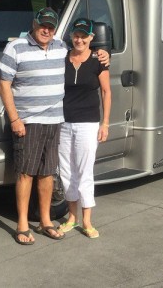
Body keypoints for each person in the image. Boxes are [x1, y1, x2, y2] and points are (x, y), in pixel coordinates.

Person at [0, 8, 108, 245]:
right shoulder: (16, 47)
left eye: (51, 27)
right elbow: (3, 83)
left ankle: (46, 221)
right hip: (29, 122)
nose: (46, 30)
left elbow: (85, 52)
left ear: (55, 30)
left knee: (48, 174)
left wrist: (104, 54)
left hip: (56, 120)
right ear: (34, 23)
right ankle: (23, 225)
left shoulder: (60, 48)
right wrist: (15, 119)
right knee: (26, 173)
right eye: (42, 25)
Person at [58, 18, 111, 239]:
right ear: (71, 37)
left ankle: (87, 220)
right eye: (76, 35)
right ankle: (72, 217)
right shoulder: (62, 58)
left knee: (84, 171)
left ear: (91, 37)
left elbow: (106, 92)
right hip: (63, 122)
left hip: (88, 123)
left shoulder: (99, 60)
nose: (79, 39)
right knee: (66, 171)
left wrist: (105, 123)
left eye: (84, 36)